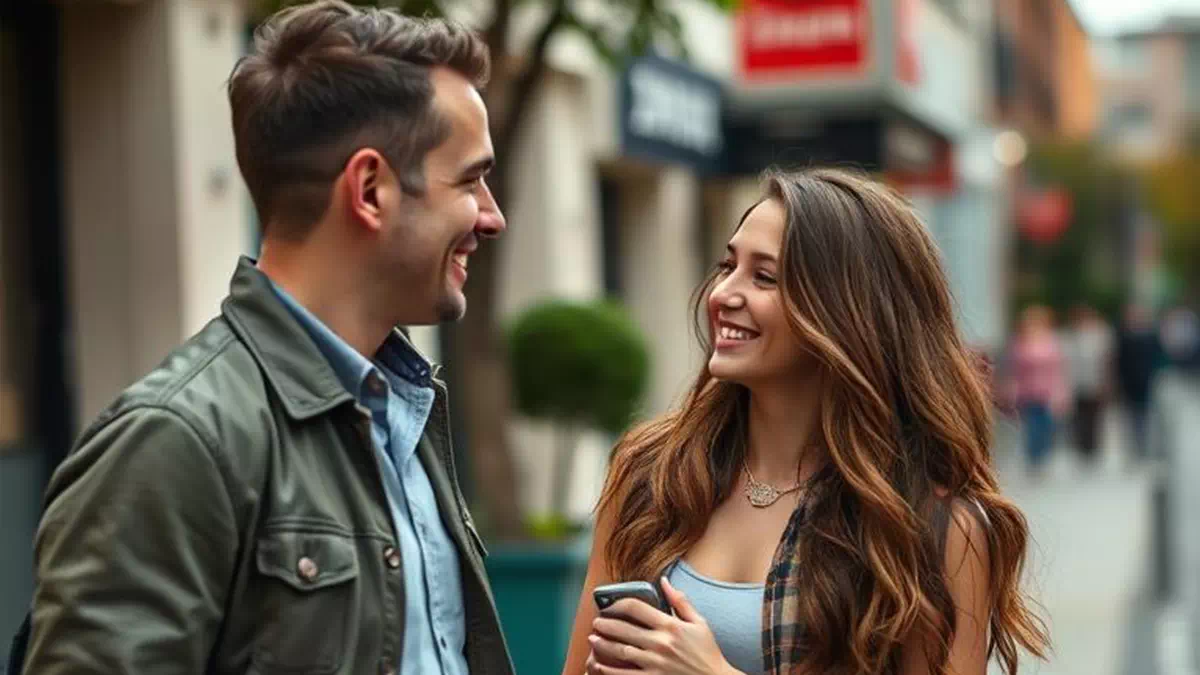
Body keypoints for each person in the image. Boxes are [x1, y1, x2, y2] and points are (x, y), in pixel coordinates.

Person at [12, 2, 513, 674]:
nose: (493, 216)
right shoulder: (176, 440)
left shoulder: (407, 413)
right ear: (370, 190)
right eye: (472, 179)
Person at [561, 169, 1049, 675]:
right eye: (727, 266)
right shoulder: (651, 474)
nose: (724, 293)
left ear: (847, 312)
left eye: (764, 277)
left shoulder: (932, 525)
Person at [1004, 305, 1070, 477]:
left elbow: (1058, 370)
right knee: (1032, 428)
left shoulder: (1052, 342)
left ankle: (1043, 457)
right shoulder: (1020, 343)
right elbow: (1015, 370)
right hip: (1028, 393)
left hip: (1048, 393)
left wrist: (1061, 393)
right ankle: (1033, 459)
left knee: (1047, 427)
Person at [1062, 305, 1114, 465]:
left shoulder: (1101, 334)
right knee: (1079, 417)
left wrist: (1107, 382)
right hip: (1075, 383)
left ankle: (1093, 448)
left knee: (1095, 418)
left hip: (1095, 382)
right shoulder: (1069, 336)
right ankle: (1081, 447)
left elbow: (1108, 360)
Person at [1116, 303, 1163, 458]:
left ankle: (1145, 447)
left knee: (1147, 415)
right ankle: (1134, 448)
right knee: (1131, 416)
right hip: (1129, 382)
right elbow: (1118, 360)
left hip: (1148, 381)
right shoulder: (1123, 336)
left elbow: (1159, 359)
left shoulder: (1152, 336)